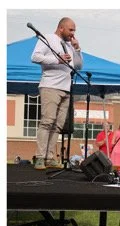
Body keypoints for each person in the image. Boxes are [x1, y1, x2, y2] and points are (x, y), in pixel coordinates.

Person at [30, 17, 82, 169]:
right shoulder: (47, 38)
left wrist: (77, 50)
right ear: (61, 28)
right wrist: (57, 60)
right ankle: (40, 157)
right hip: (50, 86)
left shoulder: (70, 45)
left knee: (57, 125)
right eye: (71, 30)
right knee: (47, 121)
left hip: (66, 88)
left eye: (74, 31)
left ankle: (50, 157)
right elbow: (35, 57)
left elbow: (78, 66)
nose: (73, 34)